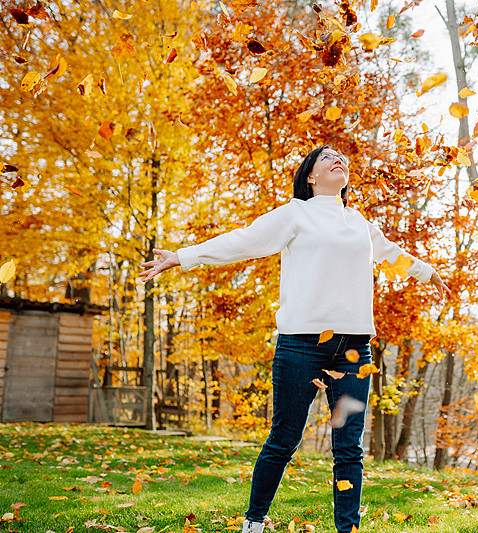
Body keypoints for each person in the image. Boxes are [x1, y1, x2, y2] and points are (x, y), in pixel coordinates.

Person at [139, 145, 449, 533]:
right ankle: (254, 521)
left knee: (349, 446)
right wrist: (183, 256)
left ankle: (347, 529)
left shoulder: (359, 222)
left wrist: (425, 270)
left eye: (343, 157)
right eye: (326, 157)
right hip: (301, 345)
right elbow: (242, 241)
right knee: (285, 437)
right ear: (311, 177)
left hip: (354, 350)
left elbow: (390, 253)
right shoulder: (294, 214)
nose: (339, 159)